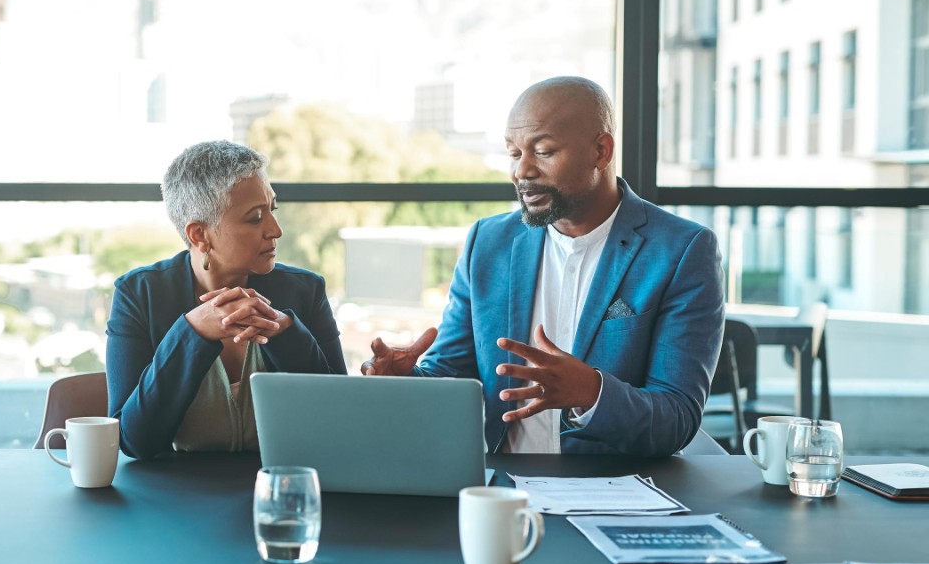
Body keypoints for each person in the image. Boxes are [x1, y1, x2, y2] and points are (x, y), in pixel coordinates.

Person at [362, 76, 724, 456]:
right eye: (514, 153)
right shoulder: (487, 243)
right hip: (503, 487)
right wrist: (405, 383)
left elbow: (678, 417)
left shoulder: (682, 250)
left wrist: (592, 393)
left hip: (616, 490)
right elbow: (451, 376)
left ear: (601, 151)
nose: (522, 171)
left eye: (544, 151)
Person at [107, 140, 347, 459]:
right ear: (199, 235)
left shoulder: (305, 291)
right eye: (254, 218)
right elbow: (133, 441)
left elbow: (338, 419)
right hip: (175, 496)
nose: (275, 230)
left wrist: (287, 332)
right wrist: (192, 333)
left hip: (280, 486)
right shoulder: (138, 295)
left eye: (272, 210)